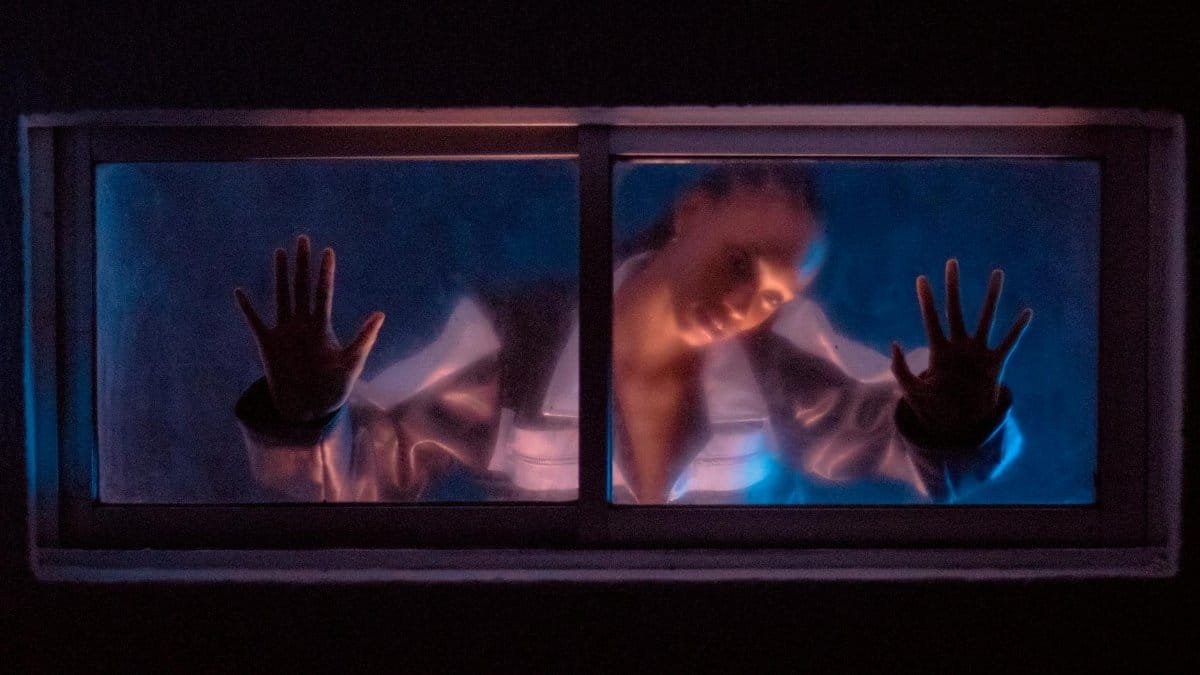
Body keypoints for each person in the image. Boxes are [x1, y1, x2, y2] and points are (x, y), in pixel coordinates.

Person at [233, 164, 1031, 504]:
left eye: (778, 293)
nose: (751, 304)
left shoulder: (786, 359)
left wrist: (963, 420)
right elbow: (352, 479)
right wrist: (303, 419)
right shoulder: (512, 340)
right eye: (740, 263)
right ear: (688, 216)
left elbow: (903, 431)